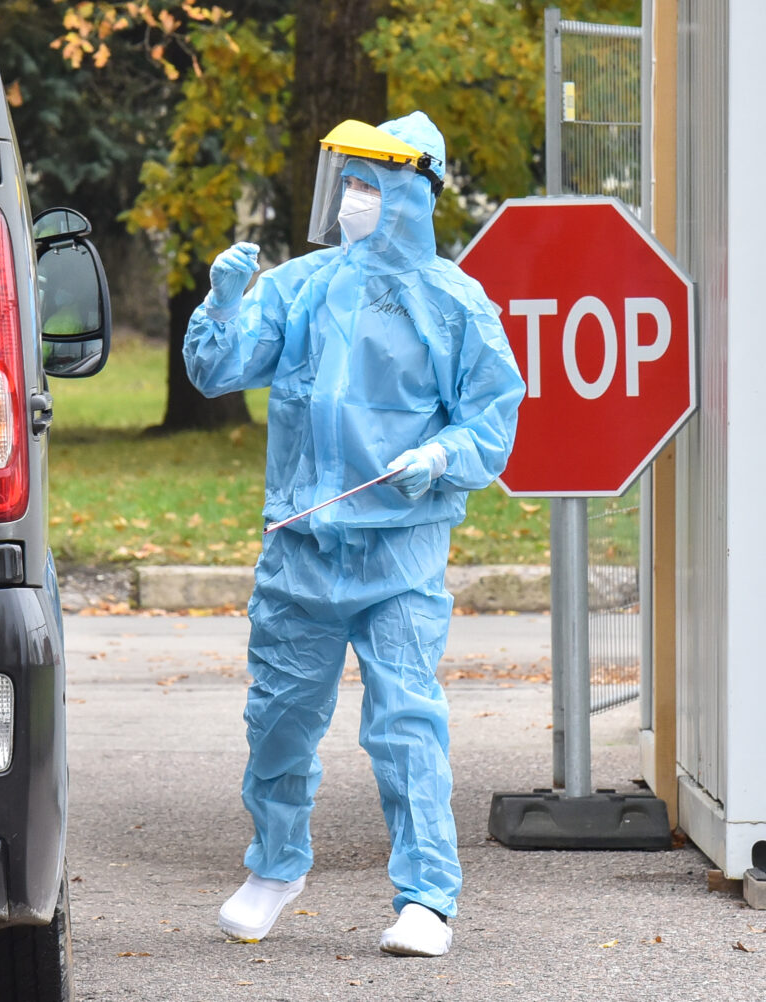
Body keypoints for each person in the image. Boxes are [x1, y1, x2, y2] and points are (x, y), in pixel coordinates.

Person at [184, 110, 523, 958]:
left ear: (414, 192)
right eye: (350, 182)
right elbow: (217, 371)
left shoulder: (454, 303)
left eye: (370, 185)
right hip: (300, 547)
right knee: (279, 720)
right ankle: (274, 868)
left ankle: (427, 899)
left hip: (398, 549)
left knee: (405, 724)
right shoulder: (300, 286)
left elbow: (492, 417)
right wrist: (222, 305)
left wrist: (439, 456)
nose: (353, 199)